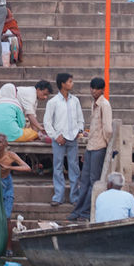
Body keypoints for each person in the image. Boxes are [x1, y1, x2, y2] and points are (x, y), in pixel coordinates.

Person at [70, 77, 113, 221]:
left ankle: (85, 212)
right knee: (84, 181)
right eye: (92, 88)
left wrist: (106, 145)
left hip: (99, 147)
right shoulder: (94, 104)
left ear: (102, 90)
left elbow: (108, 129)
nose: (94, 91)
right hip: (91, 147)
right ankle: (78, 211)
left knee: (94, 182)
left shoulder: (104, 105)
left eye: (97, 89)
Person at [44, 72, 84, 207]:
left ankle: (75, 197)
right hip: (59, 140)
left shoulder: (75, 100)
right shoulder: (53, 102)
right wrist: (56, 136)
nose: (72, 84)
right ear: (62, 84)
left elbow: (80, 119)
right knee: (58, 167)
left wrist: (79, 131)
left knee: (74, 167)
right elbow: (47, 122)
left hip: (73, 138)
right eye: (70, 81)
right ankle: (58, 196)